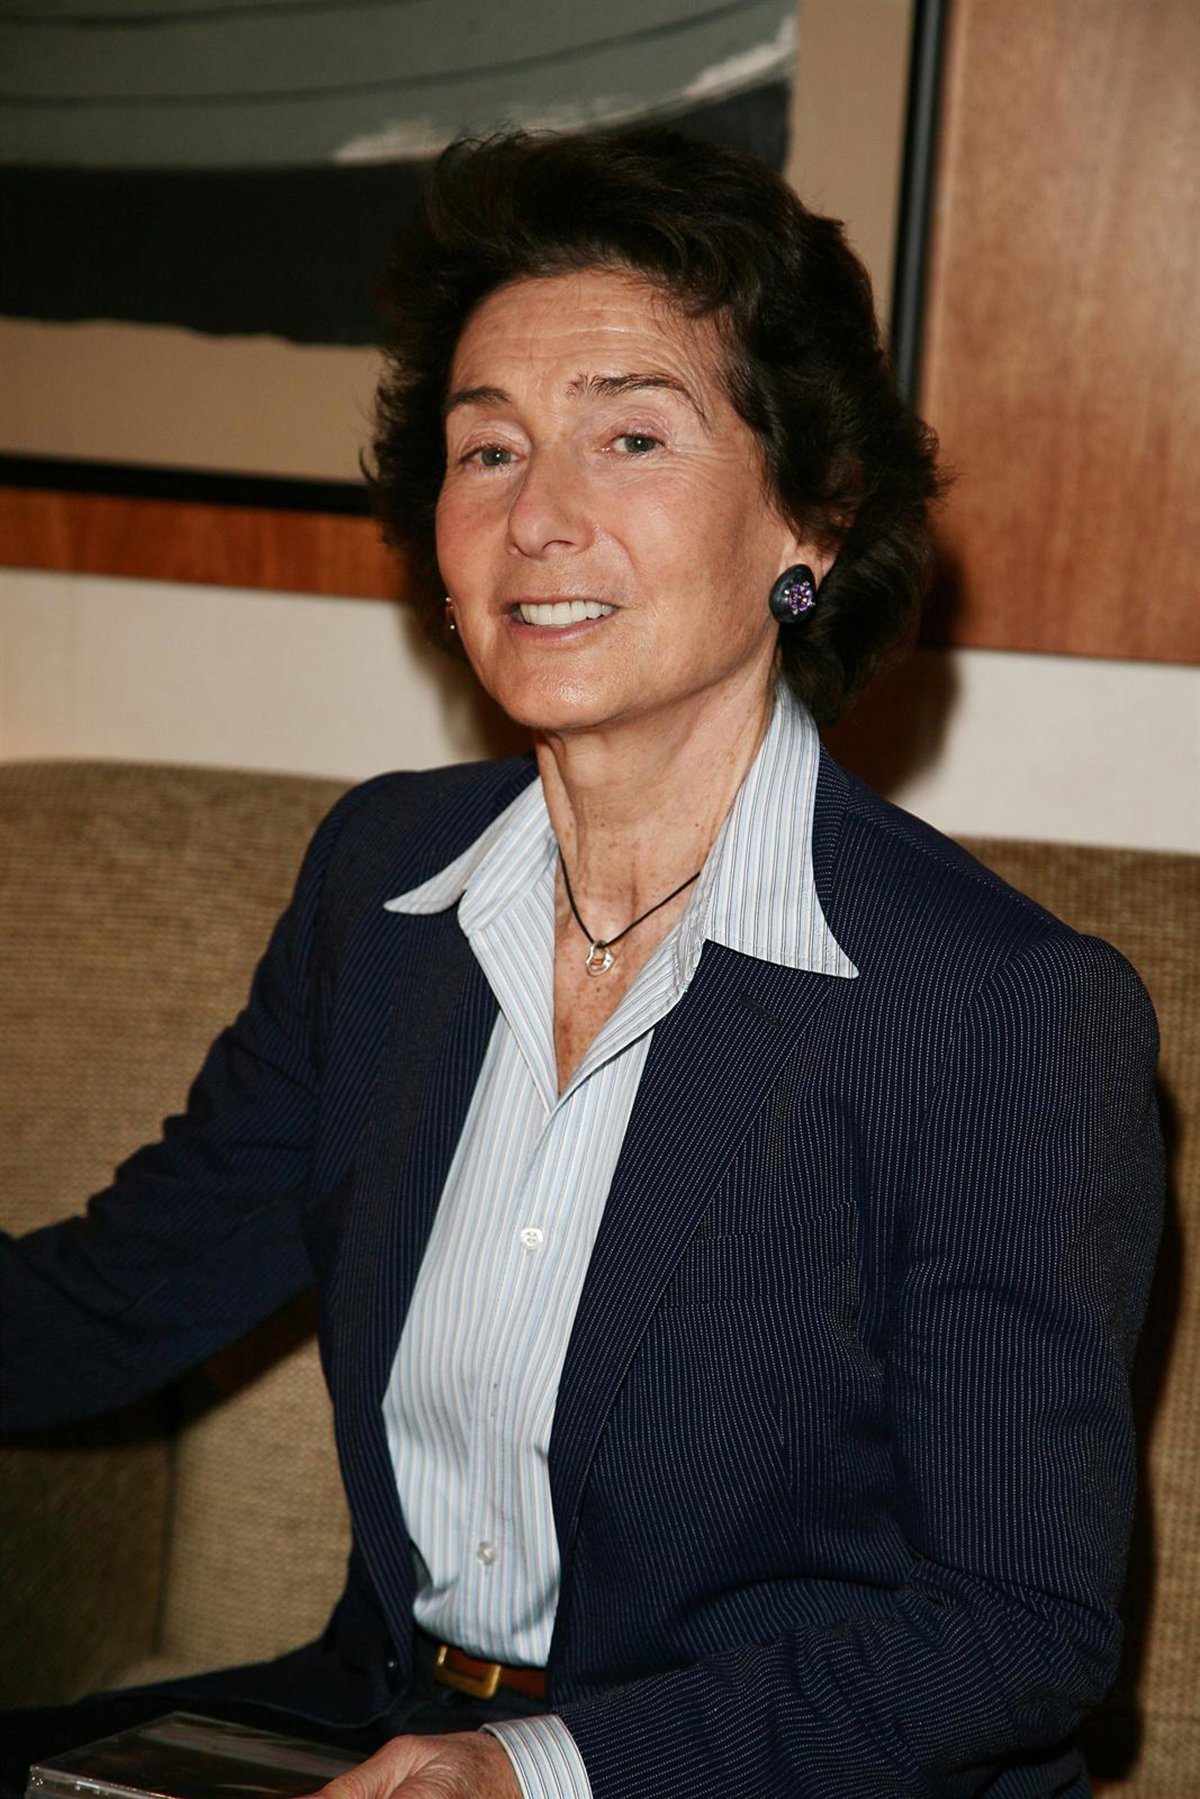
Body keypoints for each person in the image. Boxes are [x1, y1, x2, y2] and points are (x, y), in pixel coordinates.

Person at [1, 129, 1163, 1799]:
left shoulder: (997, 1014)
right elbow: (119, 1298)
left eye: (631, 436)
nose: (538, 517)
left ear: (813, 523)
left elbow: (1011, 1630)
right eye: (488, 449)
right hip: (378, 1726)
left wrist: (536, 1772)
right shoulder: (379, 888)